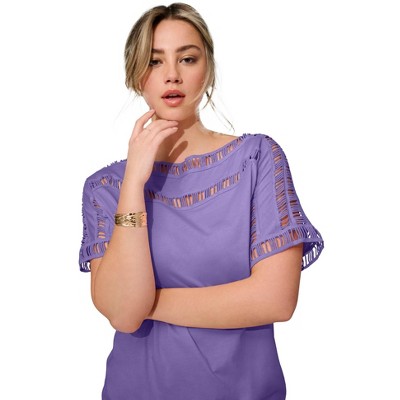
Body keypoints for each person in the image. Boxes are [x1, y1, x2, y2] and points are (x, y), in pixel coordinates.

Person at [78, 3, 324, 399]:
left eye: (187, 58)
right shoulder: (106, 188)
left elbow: (276, 299)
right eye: (154, 61)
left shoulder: (257, 160)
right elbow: (123, 314)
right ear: (135, 75)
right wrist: (134, 183)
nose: (172, 74)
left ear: (207, 68)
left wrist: (145, 303)